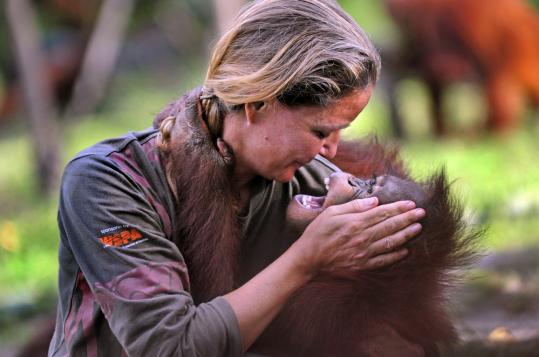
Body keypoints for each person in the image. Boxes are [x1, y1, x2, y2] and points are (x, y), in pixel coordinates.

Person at [48, 0, 425, 356]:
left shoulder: (312, 188)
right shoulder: (108, 181)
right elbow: (170, 348)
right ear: (257, 102)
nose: (330, 151)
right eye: (321, 131)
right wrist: (307, 259)